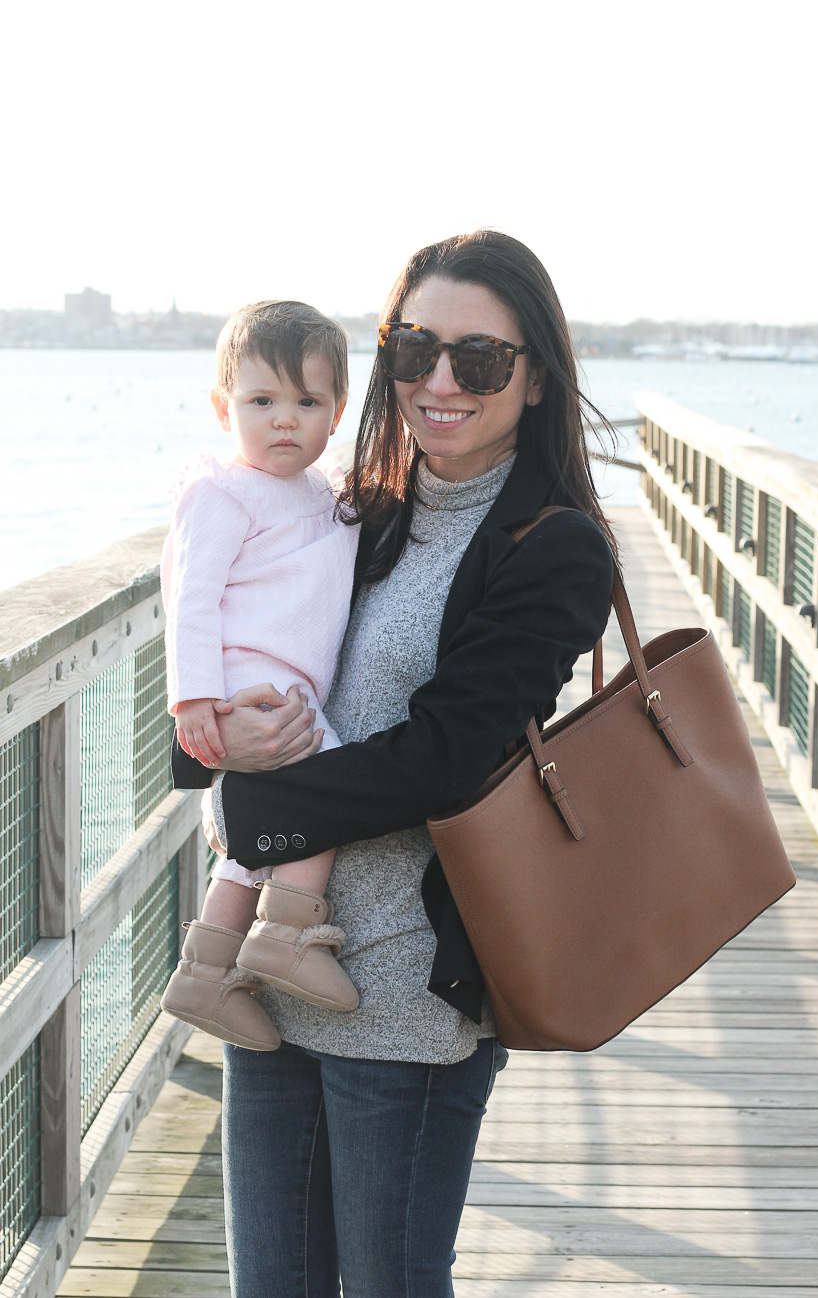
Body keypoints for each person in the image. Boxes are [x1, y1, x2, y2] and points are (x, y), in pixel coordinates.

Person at [172, 231, 618, 1297]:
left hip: (408, 997)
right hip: (272, 979)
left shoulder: (549, 545)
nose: (438, 381)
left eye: (479, 358)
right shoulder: (349, 505)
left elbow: (444, 758)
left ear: (536, 376)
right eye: (413, 348)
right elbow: (237, 652)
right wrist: (213, 744)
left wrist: (250, 799)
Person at [160, 301, 361, 1052]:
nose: (285, 420)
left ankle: (205, 969)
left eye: (307, 402)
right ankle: (287, 931)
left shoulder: (328, 493)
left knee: (262, 829)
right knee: (326, 786)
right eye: (261, 402)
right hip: (251, 683)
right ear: (223, 408)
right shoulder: (222, 491)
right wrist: (193, 702)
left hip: (289, 681)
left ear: (336, 413)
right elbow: (189, 596)